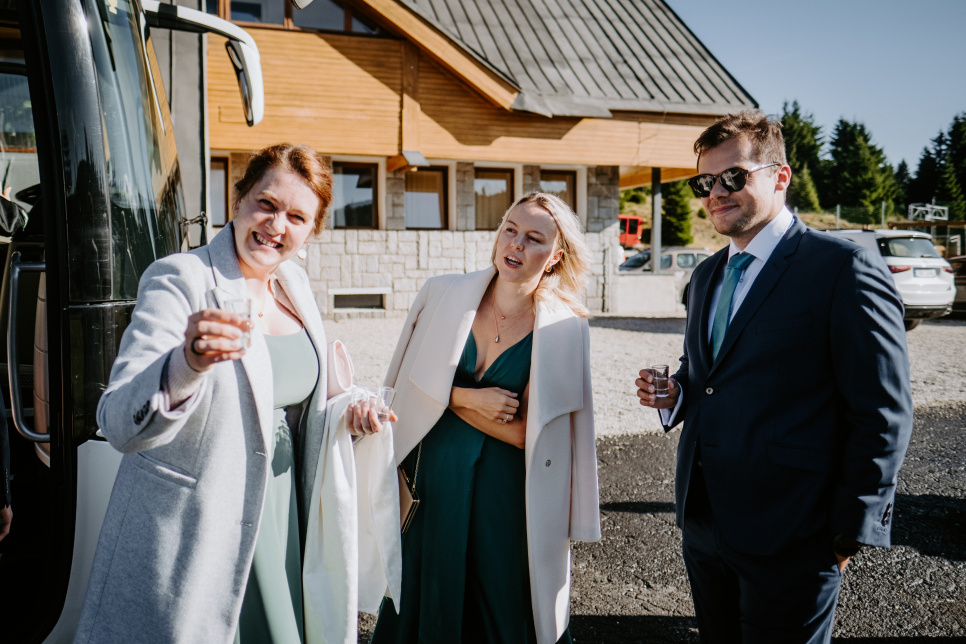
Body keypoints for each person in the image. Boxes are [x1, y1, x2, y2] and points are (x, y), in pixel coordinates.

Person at [74, 143, 394, 643]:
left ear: (312, 230)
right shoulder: (179, 278)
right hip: (200, 532)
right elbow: (118, 422)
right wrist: (188, 362)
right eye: (266, 204)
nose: (276, 225)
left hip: (285, 522)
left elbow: (296, 403)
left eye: (296, 216)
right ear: (238, 198)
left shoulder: (295, 285)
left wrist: (348, 412)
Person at [636, 110, 913, 643]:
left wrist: (848, 533)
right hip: (704, 524)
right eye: (705, 182)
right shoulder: (707, 275)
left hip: (796, 534)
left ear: (780, 176)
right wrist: (676, 393)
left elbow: (883, 411)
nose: (716, 192)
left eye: (733, 176)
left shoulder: (842, 269)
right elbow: (706, 374)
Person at [371, 193, 600, 644]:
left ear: (556, 256)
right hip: (430, 485)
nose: (515, 244)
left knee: (502, 606)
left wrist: (438, 395)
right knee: (423, 602)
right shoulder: (441, 294)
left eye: (534, 238)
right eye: (509, 229)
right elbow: (399, 389)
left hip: (505, 495)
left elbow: (526, 434)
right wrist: (466, 399)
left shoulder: (565, 327)